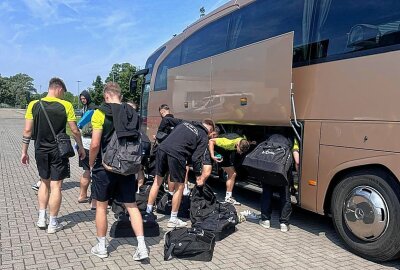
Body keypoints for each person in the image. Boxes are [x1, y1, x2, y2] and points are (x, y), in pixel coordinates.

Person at [89, 82, 148, 260]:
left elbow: (94, 144)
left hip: (104, 167)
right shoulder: (132, 113)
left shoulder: (99, 113)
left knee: (101, 206)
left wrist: (91, 164)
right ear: (120, 96)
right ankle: (142, 246)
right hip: (128, 167)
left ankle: (101, 247)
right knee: (131, 206)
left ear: (106, 96)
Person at [21, 77, 86, 234]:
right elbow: (75, 130)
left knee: (44, 183)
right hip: (59, 150)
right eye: (63, 92)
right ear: (58, 89)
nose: (63, 95)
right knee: (56, 186)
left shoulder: (34, 105)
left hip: (40, 150)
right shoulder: (66, 105)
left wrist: (24, 151)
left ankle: (41, 218)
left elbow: (28, 131)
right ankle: (53, 223)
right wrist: (81, 148)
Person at [145, 119, 215, 228]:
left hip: (162, 148)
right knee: (180, 186)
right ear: (210, 130)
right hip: (177, 154)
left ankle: (147, 212)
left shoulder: (186, 122)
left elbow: (169, 122)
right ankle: (173, 219)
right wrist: (197, 175)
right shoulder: (203, 136)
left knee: (157, 182)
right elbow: (196, 158)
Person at [259, 138, 299, 232]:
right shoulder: (290, 141)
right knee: (285, 197)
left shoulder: (269, 140)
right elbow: (296, 161)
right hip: (283, 172)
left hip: (269, 170)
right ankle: (284, 224)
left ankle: (266, 220)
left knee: (266, 195)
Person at [208, 134, 251, 205]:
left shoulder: (243, 140)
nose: (240, 153)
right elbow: (211, 141)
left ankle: (228, 198)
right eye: (240, 150)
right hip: (215, 149)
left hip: (225, 152)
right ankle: (199, 192)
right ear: (237, 144)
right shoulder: (228, 142)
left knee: (232, 174)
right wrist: (212, 155)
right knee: (207, 172)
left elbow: (246, 140)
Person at [77, 90, 97, 205]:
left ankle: (83, 195)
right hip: (88, 143)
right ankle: (91, 198)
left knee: (87, 170)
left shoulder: (91, 108)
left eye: (84, 98)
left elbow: (81, 124)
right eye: (81, 99)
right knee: (91, 171)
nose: (83, 100)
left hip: (86, 143)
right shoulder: (90, 109)